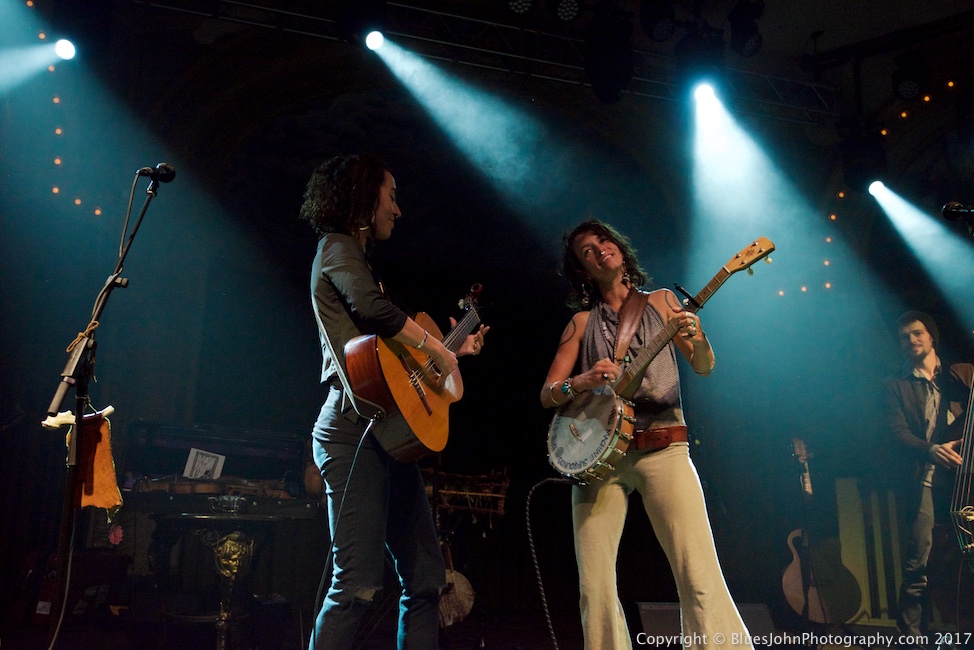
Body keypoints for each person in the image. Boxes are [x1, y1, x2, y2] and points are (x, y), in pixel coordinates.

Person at [300, 153, 488, 650]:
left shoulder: (357, 258)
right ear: (364, 197)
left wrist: (451, 352)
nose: (398, 210)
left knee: (427, 580)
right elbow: (371, 307)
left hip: (388, 433)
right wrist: (434, 348)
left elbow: (394, 367)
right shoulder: (337, 247)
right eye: (392, 195)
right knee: (357, 585)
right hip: (351, 430)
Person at [539, 220, 753, 650]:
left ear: (619, 247)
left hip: (664, 446)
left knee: (697, 572)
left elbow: (704, 365)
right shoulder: (580, 323)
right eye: (586, 251)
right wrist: (582, 381)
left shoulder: (661, 301)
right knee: (594, 586)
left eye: (604, 241)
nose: (600, 251)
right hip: (599, 457)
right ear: (582, 271)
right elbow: (548, 394)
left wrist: (699, 336)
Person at [885, 311, 972, 645]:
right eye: (904, 337)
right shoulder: (895, 385)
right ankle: (912, 635)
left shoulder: (961, 374)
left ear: (931, 336)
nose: (911, 340)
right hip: (925, 476)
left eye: (917, 333)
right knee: (918, 560)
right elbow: (898, 434)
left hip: (966, 475)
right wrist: (932, 449)